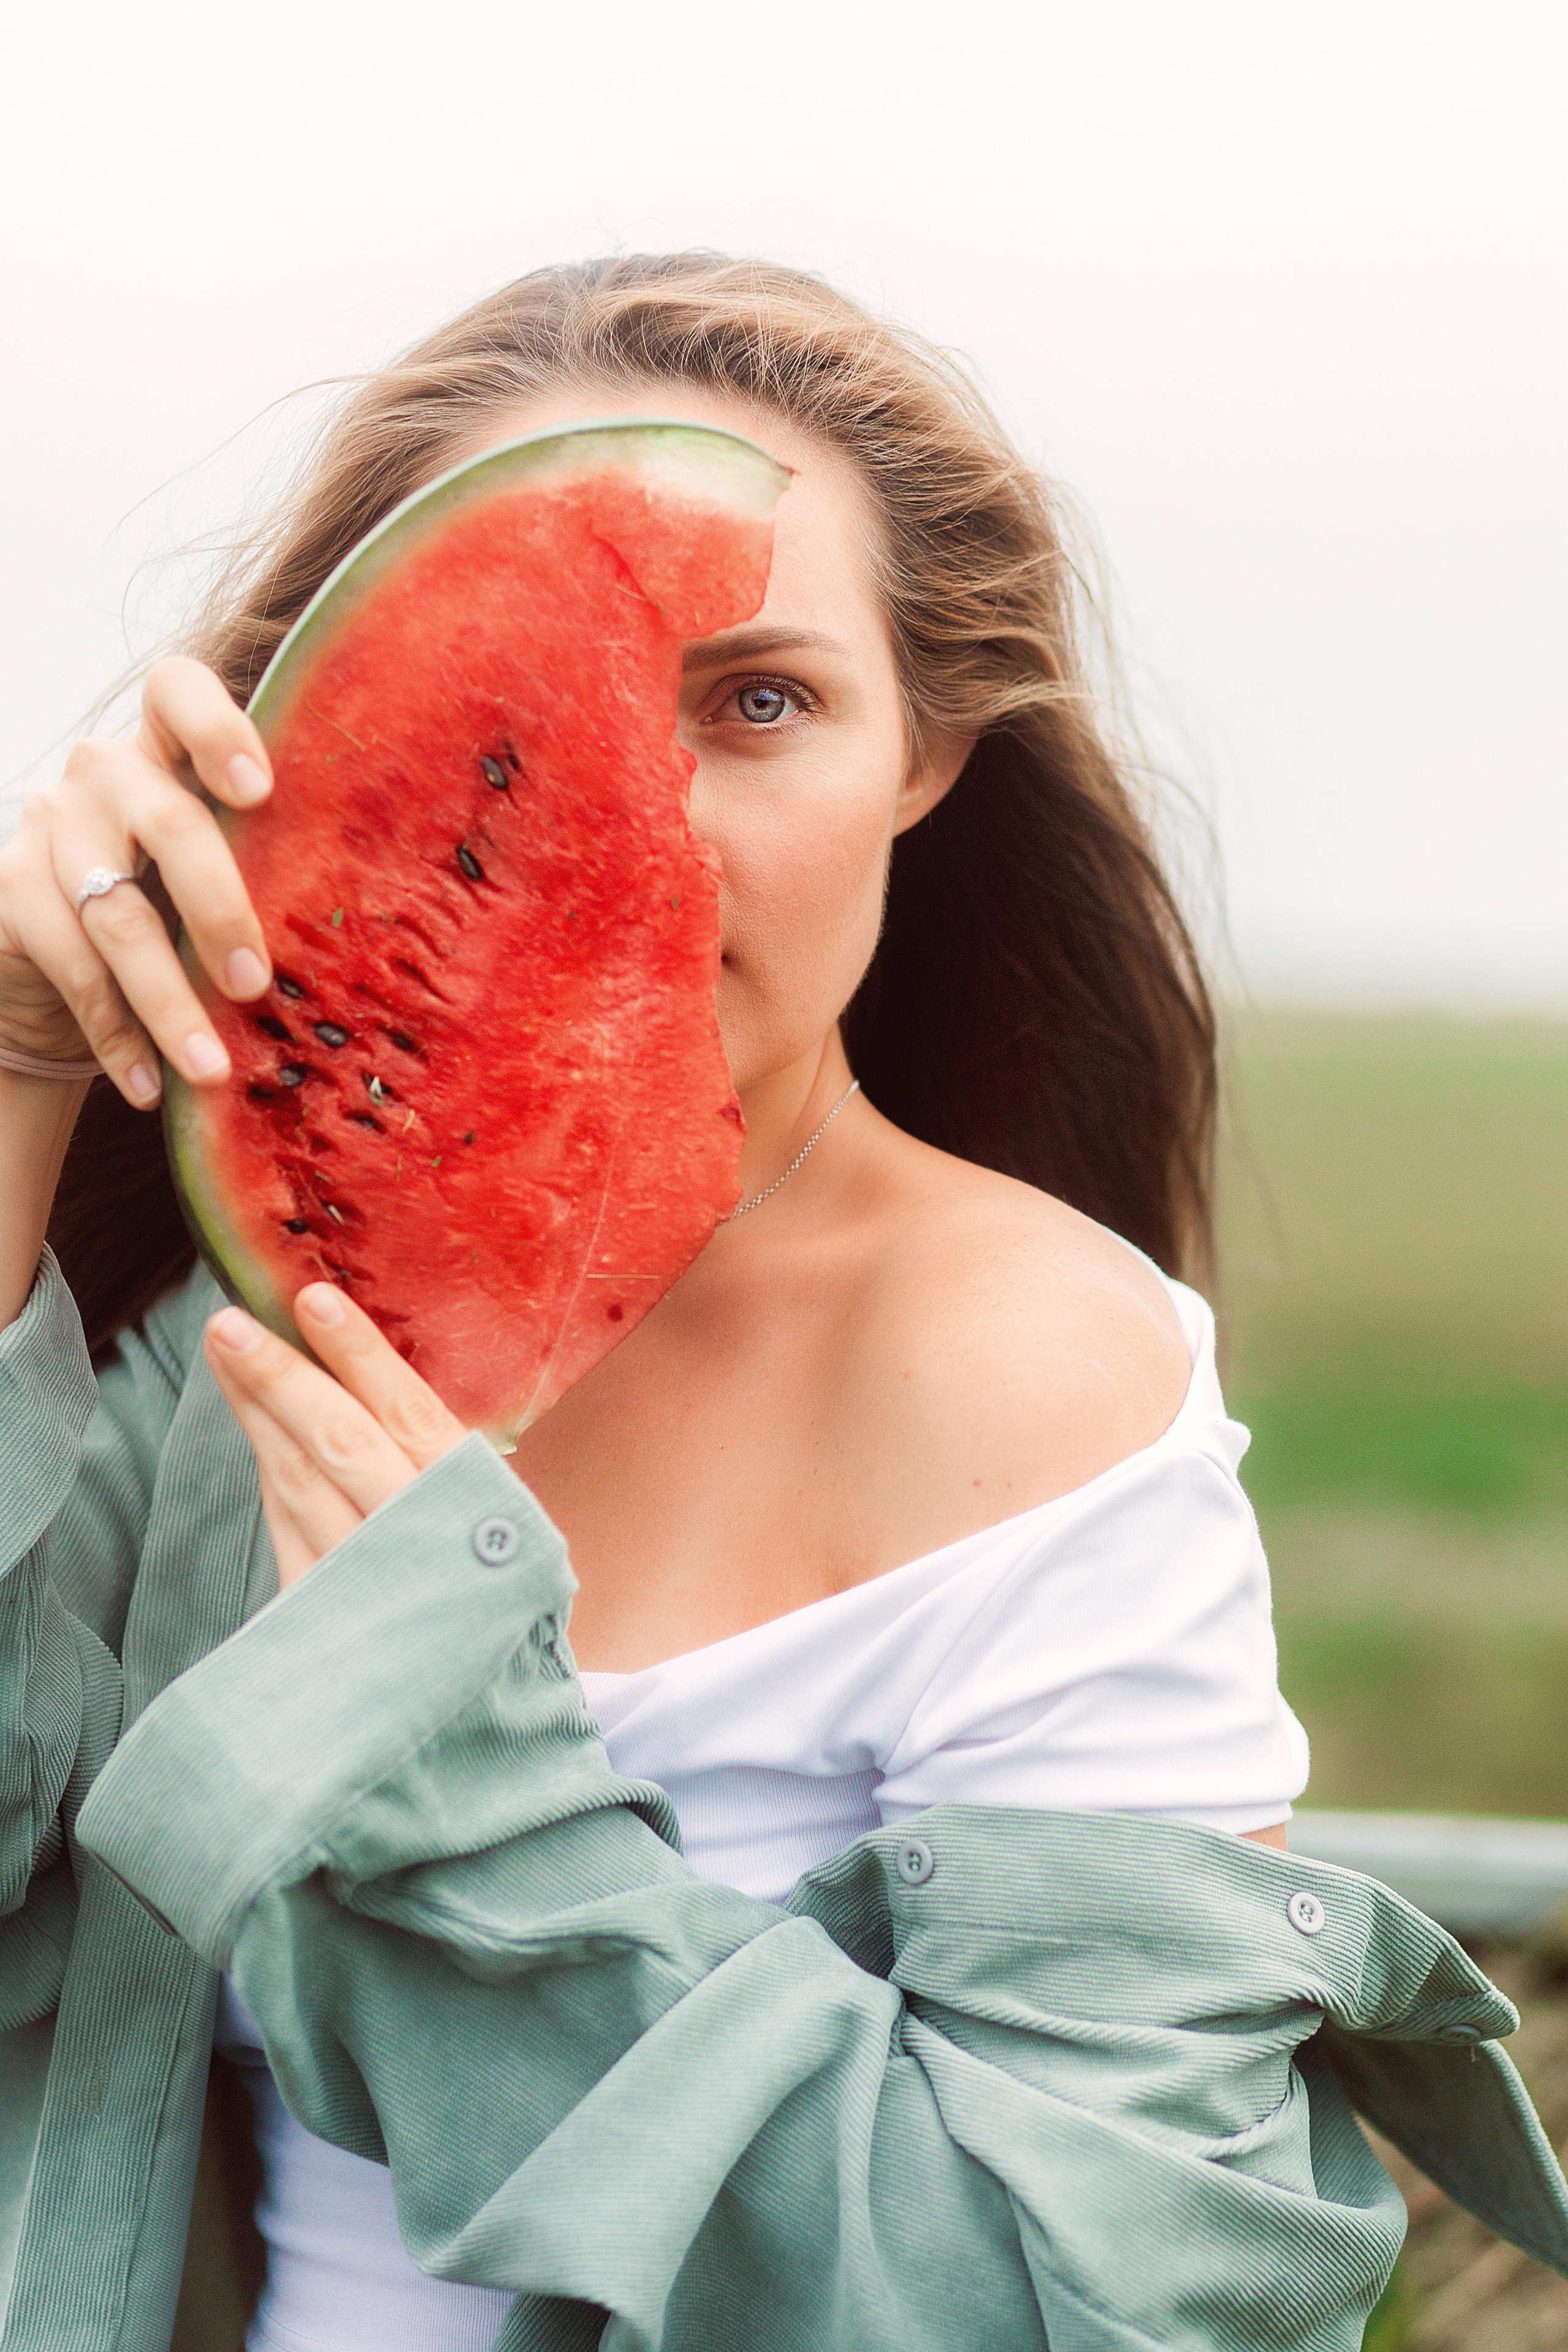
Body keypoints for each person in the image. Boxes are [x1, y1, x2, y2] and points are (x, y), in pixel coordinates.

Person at [1, 254, 1564, 2352]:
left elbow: (1103, 2310)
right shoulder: (251, 1327)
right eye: (517, 719)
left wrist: (447, 1744)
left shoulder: (1024, 1374)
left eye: (757, 705)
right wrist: (19, 1071)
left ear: (927, 751)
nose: (634, 836)